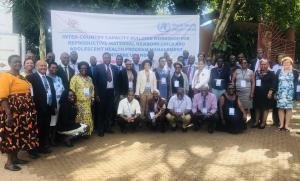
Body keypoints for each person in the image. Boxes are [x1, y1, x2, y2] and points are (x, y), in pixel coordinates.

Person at [0, 55, 39, 171]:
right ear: (9, 63)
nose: (17, 63)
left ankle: (16, 158)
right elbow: (3, 97)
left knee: (19, 134)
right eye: (14, 62)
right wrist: (9, 114)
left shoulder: (21, 77)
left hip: (23, 112)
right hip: (13, 111)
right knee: (11, 135)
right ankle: (9, 162)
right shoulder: (5, 76)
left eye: (18, 61)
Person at [27, 60, 56, 154]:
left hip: (48, 108)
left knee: (45, 129)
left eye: (45, 66)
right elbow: (29, 94)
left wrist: (53, 106)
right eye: (41, 66)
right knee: (36, 129)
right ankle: (33, 149)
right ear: (36, 67)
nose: (43, 67)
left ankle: (43, 146)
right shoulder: (30, 78)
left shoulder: (49, 79)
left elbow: (53, 93)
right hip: (37, 109)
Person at [94, 52, 119, 136]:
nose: (107, 59)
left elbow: (116, 81)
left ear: (110, 58)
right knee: (101, 112)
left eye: (108, 57)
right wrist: (96, 94)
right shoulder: (98, 67)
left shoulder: (114, 68)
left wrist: (116, 93)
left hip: (111, 92)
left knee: (109, 111)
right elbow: (95, 82)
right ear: (103, 58)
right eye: (105, 57)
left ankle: (107, 127)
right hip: (101, 93)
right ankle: (100, 129)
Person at [70, 61, 94, 136]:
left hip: (87, 102)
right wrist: (73, 101)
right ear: (79, 69)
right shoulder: (75, 78)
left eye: (85, 68)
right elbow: (72, 90)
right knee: (79, 118)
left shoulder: (89, 78)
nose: (84, 70)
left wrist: (92, 98)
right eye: (82, 68)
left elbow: (92, 89)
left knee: (87, 117)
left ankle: (86, 132)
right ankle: (78, 133)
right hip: (78, 102)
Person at [276, 56, 299, 131]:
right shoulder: (279, 71)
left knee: (289, 109)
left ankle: (286, 125)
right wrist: (275, 92)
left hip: (290, 93)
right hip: (281, 93)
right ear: (282, 63)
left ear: (291, 63)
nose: (286, 64)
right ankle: (281, 124)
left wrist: (296, 94)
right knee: (281, 108)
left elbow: (297, 84)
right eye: (285, 62)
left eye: (288, 62)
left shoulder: (295, 72)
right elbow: (276, 82)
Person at [252, 59, 276, 129]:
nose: (263, 66)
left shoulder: (271, 73)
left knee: (265, 108)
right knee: (257, 108)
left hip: (267, 94)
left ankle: (263, 123)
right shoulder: (257, 72)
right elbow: (253, 82)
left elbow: (274, 84)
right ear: (260, 65)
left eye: (265, 64)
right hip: (257, 94)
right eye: (262, 64)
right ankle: (256, 122)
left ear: (267, 65)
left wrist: (270, 92)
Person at [47, 62, 65, 145]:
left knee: (56, 122)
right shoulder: (46, 78)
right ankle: (48, 140)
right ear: (49, 68)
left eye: (55, 68)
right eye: (52, 67)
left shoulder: (59, 78)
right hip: (51, 104)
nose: (54, 69)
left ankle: (53, 139)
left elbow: (62, 90)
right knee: (51, 123)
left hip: (60, 104)